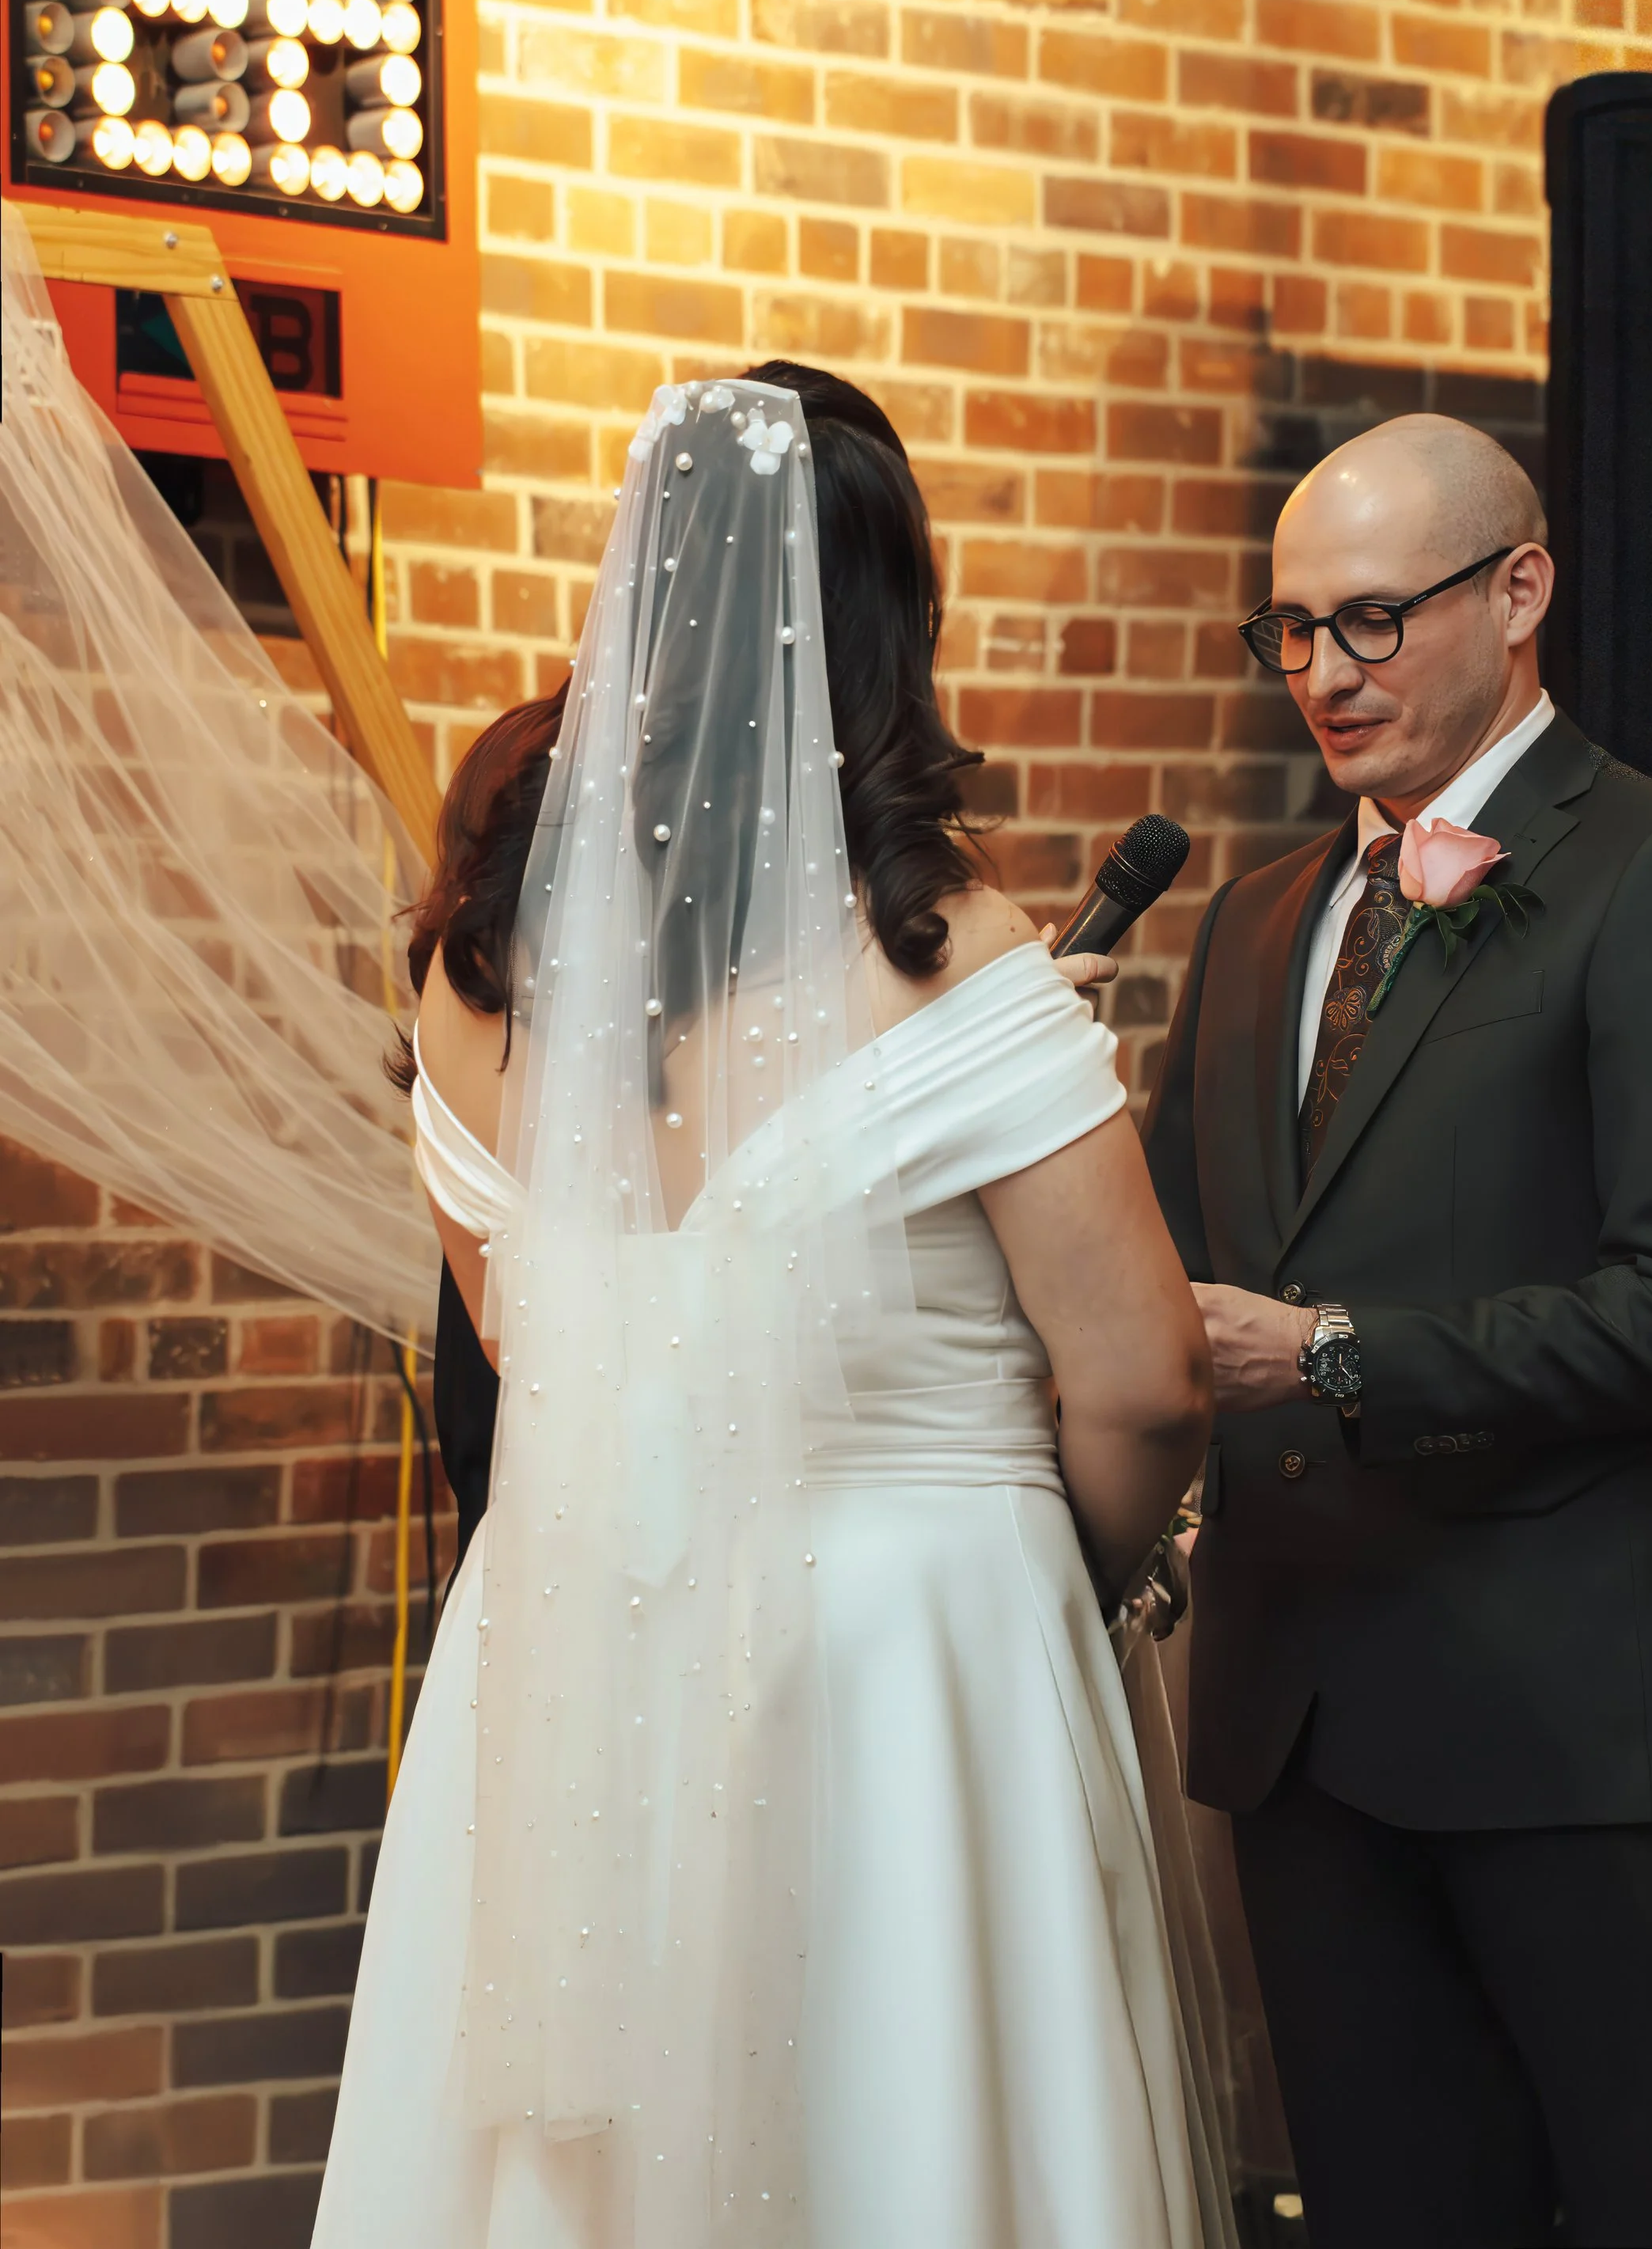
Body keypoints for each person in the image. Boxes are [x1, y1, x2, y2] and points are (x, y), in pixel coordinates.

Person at [314, 365, 1237, 2249]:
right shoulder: (956, 955)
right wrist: (1062, 1573)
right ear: (891, 621)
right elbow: (1143, 1374)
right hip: (908, 1653)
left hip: (574, 1647)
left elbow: (527, 1345)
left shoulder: (479, 978)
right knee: (903, 2140)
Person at [1142, 414, 1652, 2249]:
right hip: (1300, 1723)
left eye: (1368, 619)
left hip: (1586, 1731)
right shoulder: (1255, 922)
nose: (1323, 675)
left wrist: (1335, 1356)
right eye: (1286, 631)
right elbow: (1167, 1274)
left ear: (1518, 589)